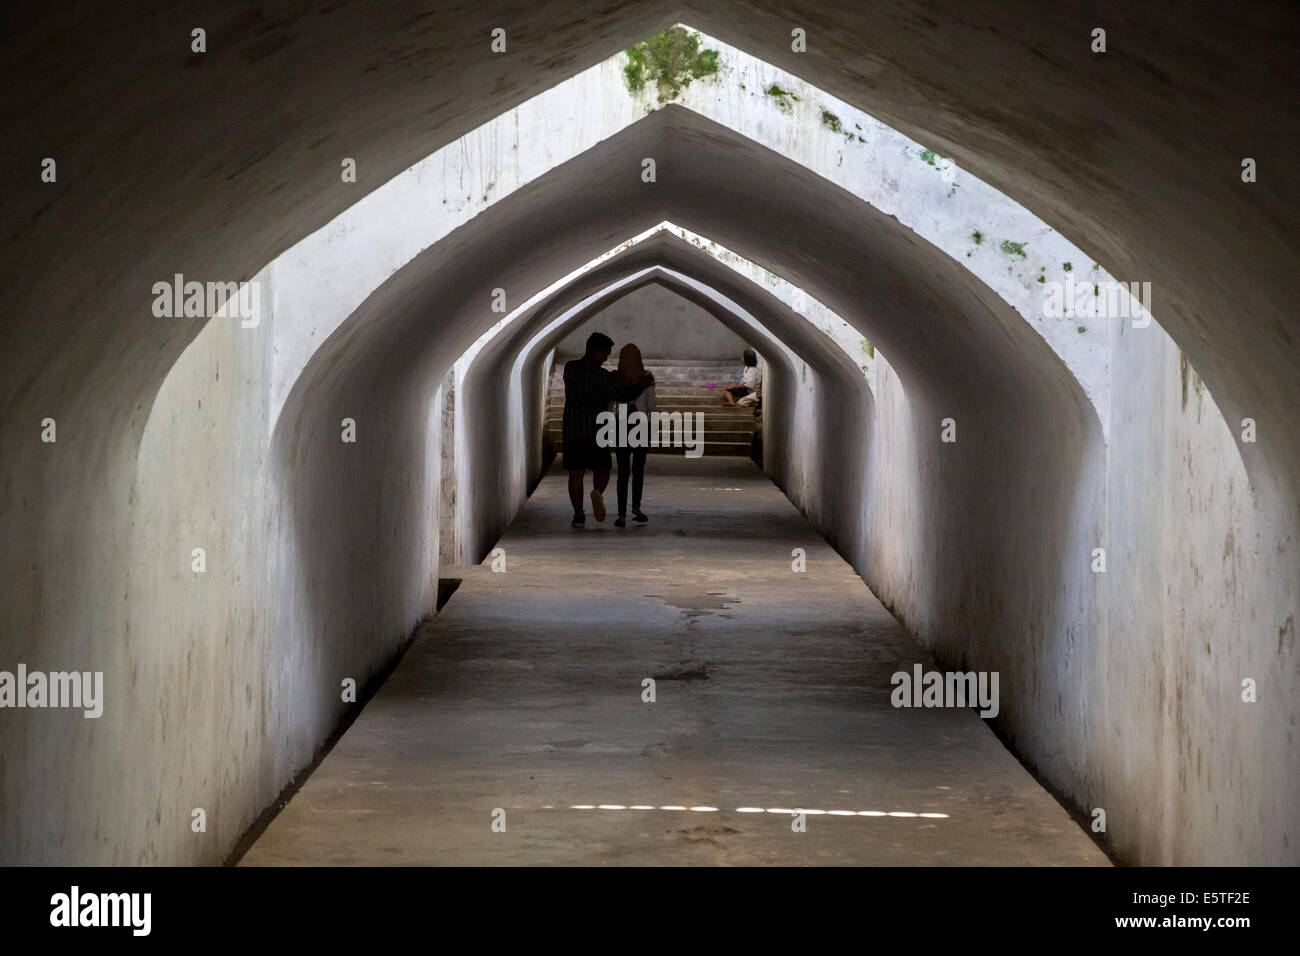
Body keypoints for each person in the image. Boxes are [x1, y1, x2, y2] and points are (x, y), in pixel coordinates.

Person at [562, 332, 653, 527]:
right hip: (596, 432)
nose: (605, 358)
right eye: (605, 354)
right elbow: (621, 395)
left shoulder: (570, 369)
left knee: (575, 475)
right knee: (603, 469)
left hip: (572, 430)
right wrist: (640, 386)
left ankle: (578, 514)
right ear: (596, 352)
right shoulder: (601, 376)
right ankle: (597, 493)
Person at [612, 343, 655, 527]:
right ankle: (636, 507)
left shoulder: (616, 378)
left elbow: (611, 402)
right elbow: (651, 405)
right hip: (641, 424)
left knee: (623, 471)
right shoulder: (646, 378)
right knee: (638, 469)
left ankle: (621, 514)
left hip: (622, 423)